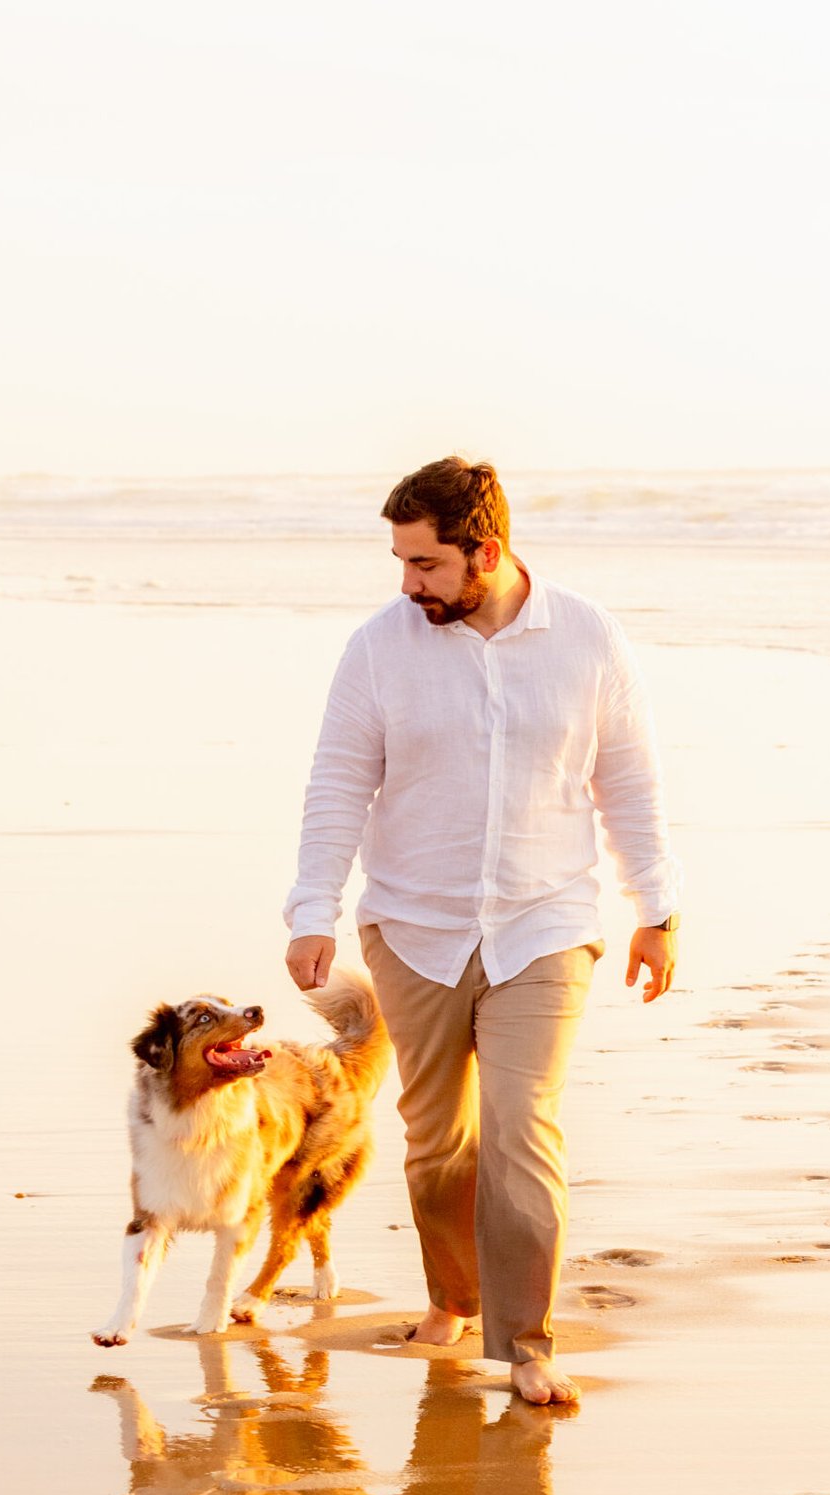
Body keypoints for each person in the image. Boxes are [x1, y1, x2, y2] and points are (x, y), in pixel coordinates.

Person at [283, 457, 681, 1407]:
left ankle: (528, 1342)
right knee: (436, 1140)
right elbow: (338, 780)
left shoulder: (587, 638)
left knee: (521, 1128)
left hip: (547, 925)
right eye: (400, 561)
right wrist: (312, 910)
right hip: (412, 926)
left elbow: (629, 779)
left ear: (486, 552)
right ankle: (454, 1296)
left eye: (425, 564)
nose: (407, 583)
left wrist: (656, 910)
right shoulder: (379, 648)